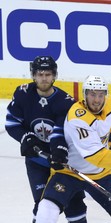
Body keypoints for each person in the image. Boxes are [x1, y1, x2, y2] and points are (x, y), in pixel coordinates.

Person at [34, 75, 111, 223]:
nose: (97, 100)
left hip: (100, 174)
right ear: (84, 95)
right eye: (92, 94)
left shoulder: (110, 104)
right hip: (69, 171)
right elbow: (95, 156)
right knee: (47, 211)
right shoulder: (77, 118)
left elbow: (102, 121)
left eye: (100, 95)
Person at [5, 56, 87, 223]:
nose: (44, 78)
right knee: (42, 204)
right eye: (40, 74)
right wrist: (25, 137)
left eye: (48, 74)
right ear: (33, 75)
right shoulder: (23, 94)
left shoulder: (65, 102)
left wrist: (60, 150)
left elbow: (63, 132)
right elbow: (12, 124)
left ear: (54, 75)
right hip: (36, 161)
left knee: (75, 204)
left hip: (64, 163)